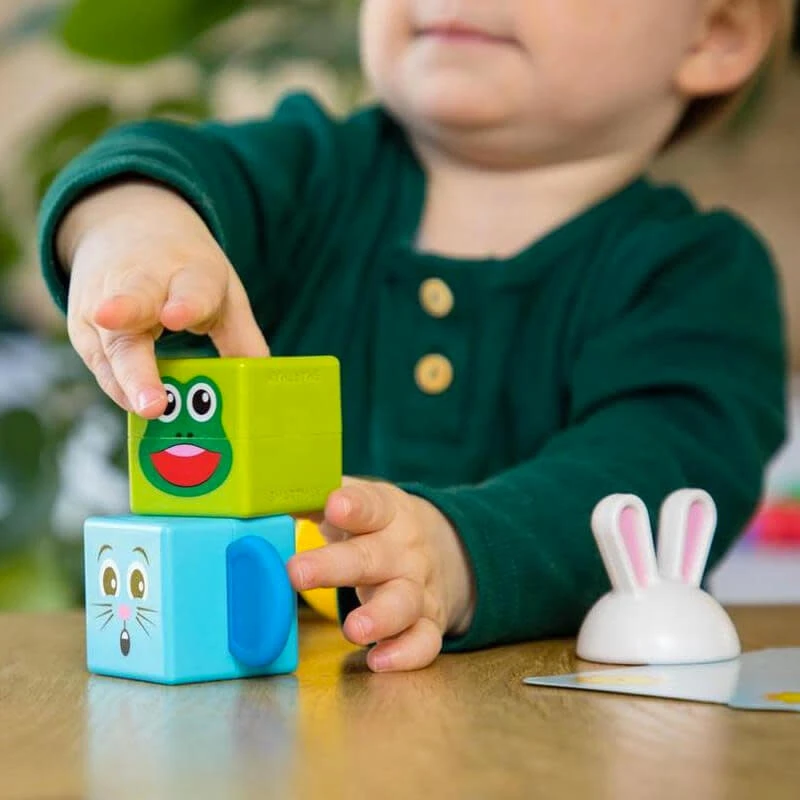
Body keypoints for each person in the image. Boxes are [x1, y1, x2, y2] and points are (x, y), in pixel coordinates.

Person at [38, 1, 793, 672]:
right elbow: (167, 164)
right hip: (256, 713)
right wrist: (132, 226)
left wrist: (455, 556)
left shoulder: (699, 280)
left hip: (564, 735)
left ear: (716, 33)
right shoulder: (311, 173)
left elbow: (651, 476)